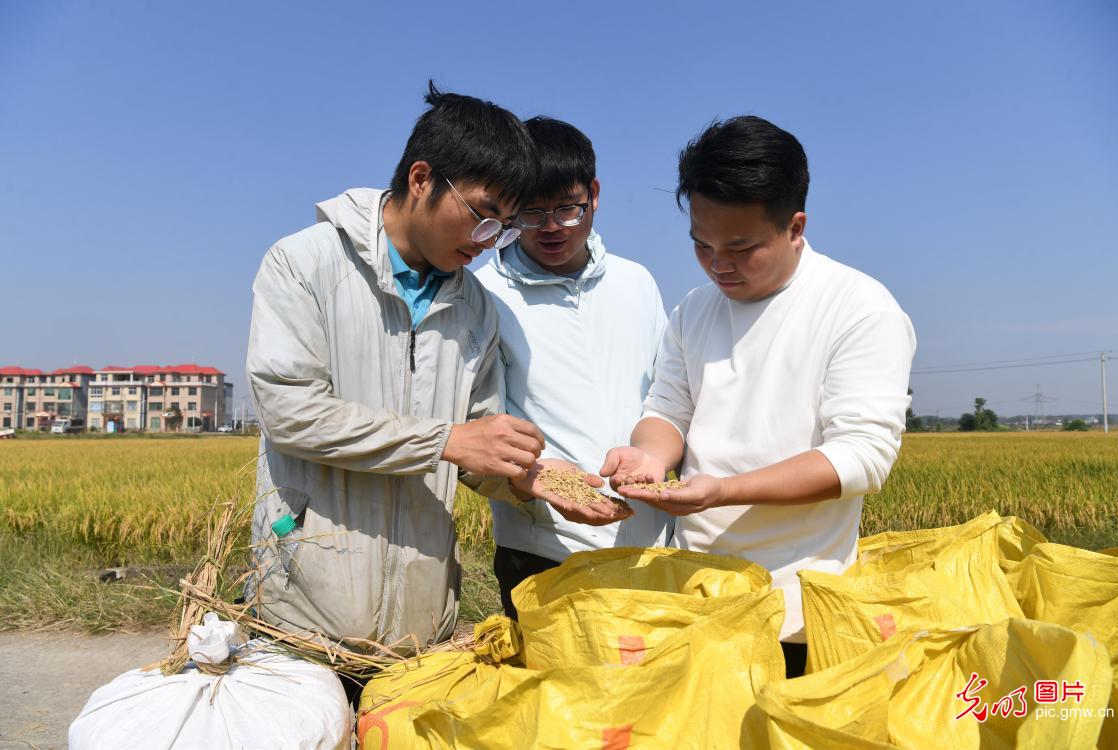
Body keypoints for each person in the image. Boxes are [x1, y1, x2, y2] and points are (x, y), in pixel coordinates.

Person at [244, 84, 610, 663]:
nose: (489, 244)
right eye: (483, 217)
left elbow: (478, 443)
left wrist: (526, 476)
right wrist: (445, 441)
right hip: (304, 618)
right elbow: (291, 415)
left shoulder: (476, 308)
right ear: (421, 179)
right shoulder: (304, 264)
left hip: (421, 625)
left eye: (504, 229)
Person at [603, 115, 917, 679]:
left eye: (741, 247)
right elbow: (668, 411)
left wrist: (722, 491)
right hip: (698, 596)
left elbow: (863, 457)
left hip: (799, 607)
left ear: (795, 226)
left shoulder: (858, 308)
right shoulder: (694, 311)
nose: (719, 263)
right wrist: (649, 456)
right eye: (701, 244)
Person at [475, 117, 669, 618]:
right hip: (542, 552)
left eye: (566, 208)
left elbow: (669, 395)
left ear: (594, 195)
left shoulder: (636, 283)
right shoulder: (483, 297)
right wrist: (536, 477)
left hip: (647, 544)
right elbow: (478, 424)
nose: (552, 228)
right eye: (532, 214)